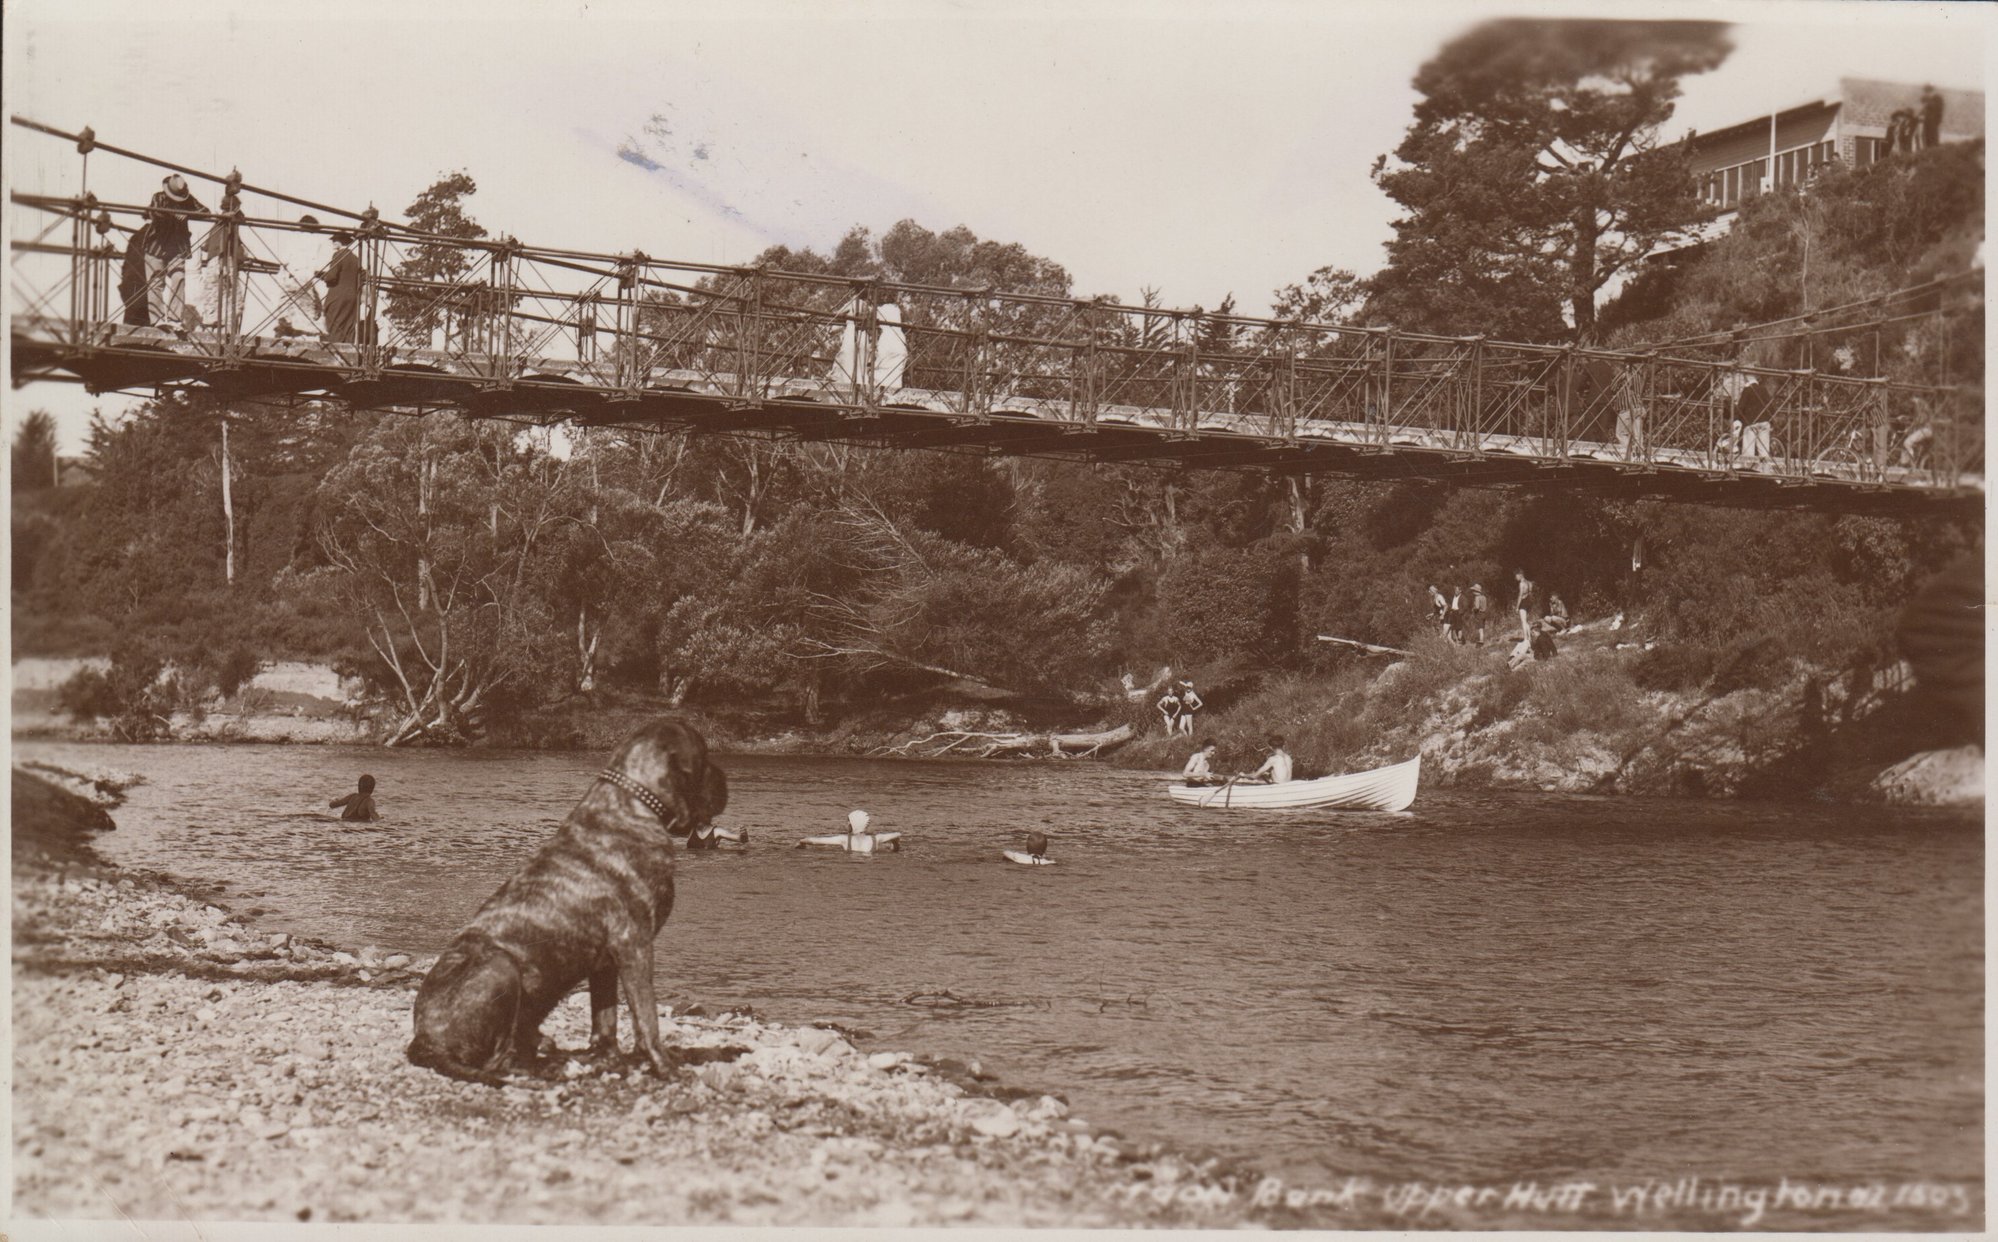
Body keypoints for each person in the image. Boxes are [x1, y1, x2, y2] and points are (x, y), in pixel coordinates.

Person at [144, 174, 206, 327]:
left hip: (177, 246)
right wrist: (173, 214)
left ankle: (174, 319)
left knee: (179, 277)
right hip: (156, 245)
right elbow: (156, 212)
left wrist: (189, 214)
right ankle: (157, 320)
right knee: (155, 281)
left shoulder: (187, 199)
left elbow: (205, 211)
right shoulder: (159, 197)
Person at [318, 230, 363, 344]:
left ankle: (334, 353)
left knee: (334, 324)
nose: (333, 242)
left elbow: (331, 277)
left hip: (338, 296)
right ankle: (347, 351)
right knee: (348, 326)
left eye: (334, 240)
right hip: (352, 297)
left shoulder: (338, 254)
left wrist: (321, 275)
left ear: (340, 242)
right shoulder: (355, 258)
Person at [118, 222, 152, 328]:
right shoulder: (152, 237)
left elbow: (125, 265)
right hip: (142, 282)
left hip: (130, 282)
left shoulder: (135, 237)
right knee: (143, 316)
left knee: (131, 315)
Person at [1514, 569, 1536, 643]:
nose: (1515, 577)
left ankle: (1525, 638)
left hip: (1523, 602)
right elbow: (1530, 593)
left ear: (1520, 575)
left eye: (1516, 576)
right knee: (1526, 621)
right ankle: (1529, 637)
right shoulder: (1529, 583)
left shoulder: (1521, 583)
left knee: (1523, 621)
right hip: (1529, 602)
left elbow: (1520, 595)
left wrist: (1517, 607)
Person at [1920, 85, 1944, 150]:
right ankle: (1928, 149)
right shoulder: (1927, 99)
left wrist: (1928, 102)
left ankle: (1933, 150)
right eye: (1925, 91)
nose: (1926, 93)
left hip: (1933, 121)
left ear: (1931, 91)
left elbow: (1938, 109)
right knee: (1926, 137)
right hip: (1926, 121)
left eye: (1927, 91)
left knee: (1933, 137)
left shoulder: (1937, 98)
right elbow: (1923, 109)